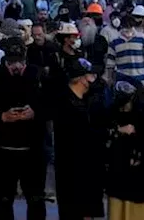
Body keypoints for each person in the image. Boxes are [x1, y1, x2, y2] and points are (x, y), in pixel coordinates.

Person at [0, 37, 45, 220]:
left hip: (33, 150)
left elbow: (53, 104)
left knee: (35, 199)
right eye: (11, 62)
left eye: (20, 62)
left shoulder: (38, 74)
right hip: (4, 150)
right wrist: (1, 117)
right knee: (4, 199)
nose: (16, 67)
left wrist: (35, 112)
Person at [52, 59, 109, 220]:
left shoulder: (89, 100)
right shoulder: (64, 104)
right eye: (89, 75)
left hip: (90, 169)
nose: (93, 79)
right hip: (73, 171)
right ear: (80, 79)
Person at [105, 75, 144, 220]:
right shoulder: (110, 111)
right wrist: (118, 130)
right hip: (117, 168)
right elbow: (101, 133)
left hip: (140, 166)